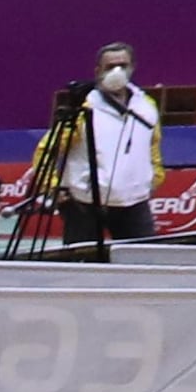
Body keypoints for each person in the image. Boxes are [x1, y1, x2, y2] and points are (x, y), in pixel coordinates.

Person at [49, 42, 164, 247]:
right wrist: (53, 186)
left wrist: (153, 179)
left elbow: (152, 147)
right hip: (85, 204)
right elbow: (50, 148)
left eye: (123, 65)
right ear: (98, 71)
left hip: (134, 202)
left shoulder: (147, 106)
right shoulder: (84, 108)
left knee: (143, 264)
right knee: (80, 267)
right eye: (110, 67)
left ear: (132, 67)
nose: (117, 71)